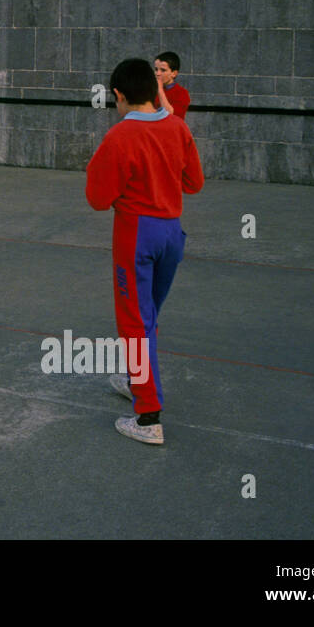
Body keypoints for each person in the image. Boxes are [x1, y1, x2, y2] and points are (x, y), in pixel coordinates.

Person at [86, 59, 204, 445]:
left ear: (119, 95)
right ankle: (137, 379)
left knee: (135, 324)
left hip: (136, 234)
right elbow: (195, 183)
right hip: (172, 232)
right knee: (147, 318)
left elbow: (98, 199)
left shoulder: (120, 136)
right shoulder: (177, 127)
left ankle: (148, 415)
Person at [154, 51, 190, 120]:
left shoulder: (181, 93)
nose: (157, 73)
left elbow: (170, 117)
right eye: (156, 69)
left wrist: (160, 90)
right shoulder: (151, 90)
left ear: (174, 73)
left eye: (163, 70)